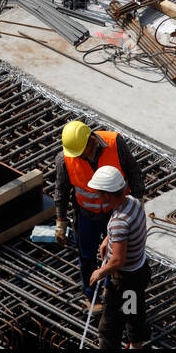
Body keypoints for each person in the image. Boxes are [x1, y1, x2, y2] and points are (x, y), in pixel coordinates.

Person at [54, 121, 145, 312]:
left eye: (81, 152)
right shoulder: (65, 158)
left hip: (116, 212)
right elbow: (61, 190)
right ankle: (91, 294)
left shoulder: (115, 144)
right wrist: (60, 220)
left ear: (91, 141)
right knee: (87, 255)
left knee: (114, 255)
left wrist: (135, 206)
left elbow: (134, 173)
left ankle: (109, 289)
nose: (78, 157)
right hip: (87, 215)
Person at [87, 165, 151, 349]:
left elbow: (118, 261)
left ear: (107, 194)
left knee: (108, 329)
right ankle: (136, 345)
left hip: (125, 281)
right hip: (139, 271)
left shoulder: (118, 223)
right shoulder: (133, 202)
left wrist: (100, 271)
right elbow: (124, 231)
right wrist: (109, 239)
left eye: (99, 193)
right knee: (133, 313)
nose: (98, 196)